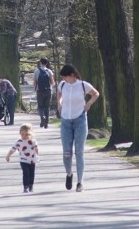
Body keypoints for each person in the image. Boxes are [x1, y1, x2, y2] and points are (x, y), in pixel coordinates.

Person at [57, 64, 100, 192]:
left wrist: (89, 104)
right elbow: (59, 94)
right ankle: (69, 174)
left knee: (79, 152)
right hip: (65, 120)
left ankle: (80, 182)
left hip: (80, 119)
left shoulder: (83, 85)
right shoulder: (62, 85)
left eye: (65, 76)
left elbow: (96, 94)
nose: (64, 79)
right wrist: (59, 104)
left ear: (72, 75)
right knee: (66, 152)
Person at [6, 123, 39, 193]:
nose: (25, 136)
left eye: (27, 134)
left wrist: (37, 154)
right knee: (26, 173)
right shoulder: (19, 142)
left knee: (32, 173)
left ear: (31, 134)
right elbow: (13, 149)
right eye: (22, 134)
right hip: (23, 160)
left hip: (32, 160)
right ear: (20, 133)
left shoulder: (32, 141)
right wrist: (8, 155)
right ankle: (25, 186)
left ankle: (31, 185)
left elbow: (36, 148)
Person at [33, 57, 55, 129]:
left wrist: (35, 90)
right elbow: (52, 82)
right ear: (47, 63)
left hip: (40, 91)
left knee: (40, 107)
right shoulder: (49, 71)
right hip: (48, 91)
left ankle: (42, 118)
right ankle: (46, 123)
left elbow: (35, 82)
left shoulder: (36, 71)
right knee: (47, 107)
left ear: (40, 62)